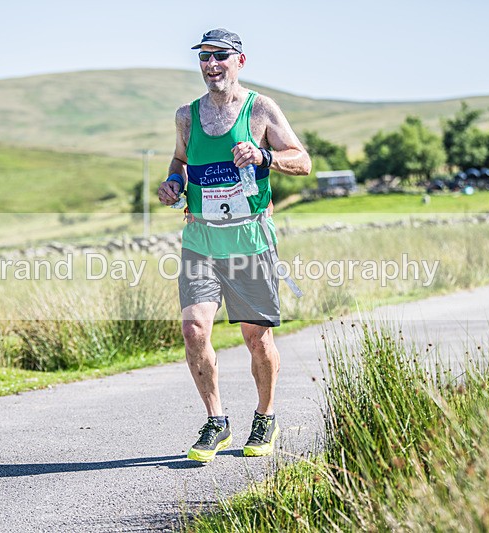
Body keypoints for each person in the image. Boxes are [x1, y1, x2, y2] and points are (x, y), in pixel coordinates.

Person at [157, 28, 311, 463]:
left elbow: (302, 160)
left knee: (256, 339)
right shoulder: (186, 116)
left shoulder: (260, 109)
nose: (211, 65)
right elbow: (181, 161)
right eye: (204, 57)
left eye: (220, 56)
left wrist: (265, 157)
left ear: (240, 61)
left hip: (250, 240)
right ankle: (216, 421)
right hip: (201, 240)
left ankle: (265, 416)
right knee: (193, 330)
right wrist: (173, 183)